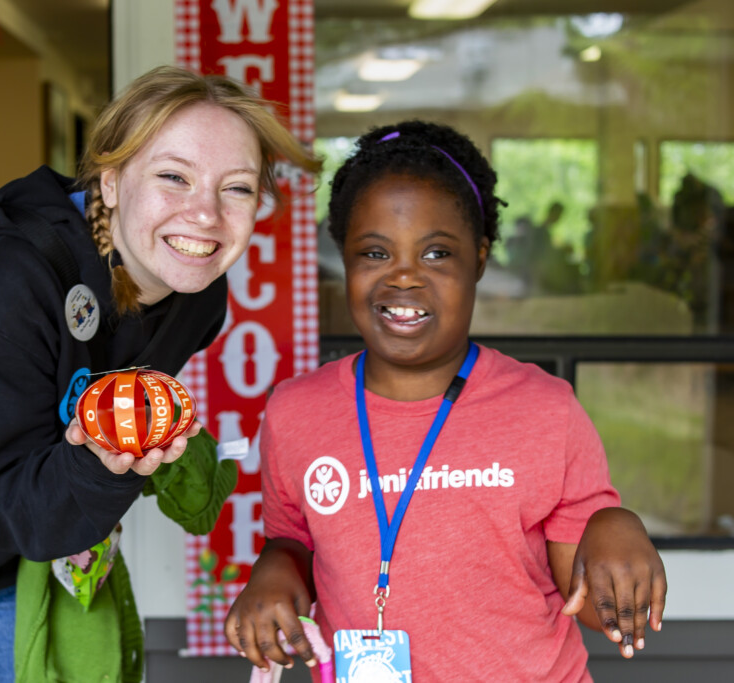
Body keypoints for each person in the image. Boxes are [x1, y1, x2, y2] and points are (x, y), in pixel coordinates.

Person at [0, 65, 321, 682]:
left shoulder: (198, 294)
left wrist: (137, 447)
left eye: (236, 188)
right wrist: (108, 460)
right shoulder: (3, 280)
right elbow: (16, 501)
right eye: (173, 177)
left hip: (12, 557)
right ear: (114, 181)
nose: (204, 215)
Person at [224, 120, 667, 681]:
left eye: (436, 253)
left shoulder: (545, 410)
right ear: (344, 262)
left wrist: (614, 525)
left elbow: (595, 612)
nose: (404, 277)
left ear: (479, 259)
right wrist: (275, 568)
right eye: (375, 253)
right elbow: (295, 541)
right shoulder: (294, 413)